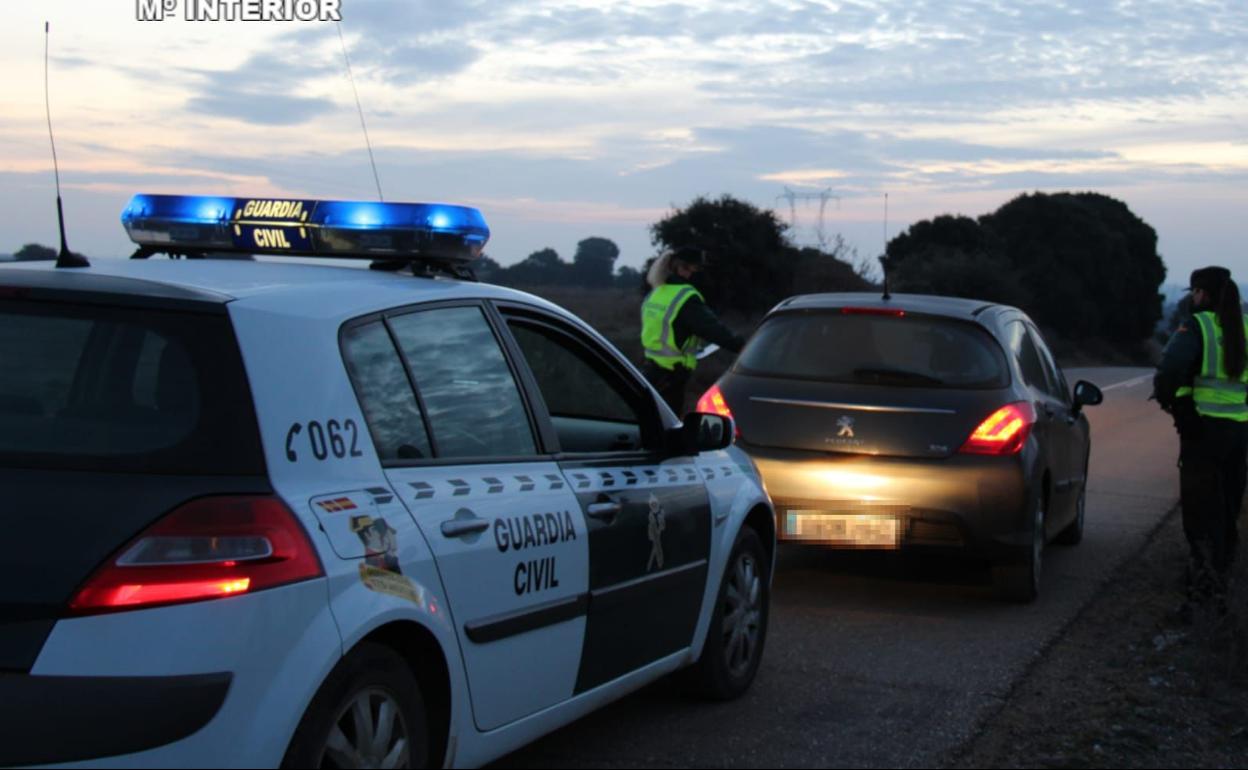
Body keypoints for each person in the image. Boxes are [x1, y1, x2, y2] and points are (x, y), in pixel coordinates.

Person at [1154, 266, 1248, 619]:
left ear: (1203, 294)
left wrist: (1178, 407)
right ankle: (1221, 582)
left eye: (1194, 292)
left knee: (1199, 510)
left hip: (1203, 434)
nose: (1192, 298)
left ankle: (1202, 592)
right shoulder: (1246, 328)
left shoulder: (1198, 326)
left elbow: (1168, 370)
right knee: (1227, 508)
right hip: (1239, 434)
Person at [640, 247, 745, 414]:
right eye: (698, 269)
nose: (700, 275)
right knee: (667, 426)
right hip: (671, 374)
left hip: (650, 369)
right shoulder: (685, 297)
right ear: (683, 268)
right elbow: (713, 330)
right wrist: (747, 347)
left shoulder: (656, 292)